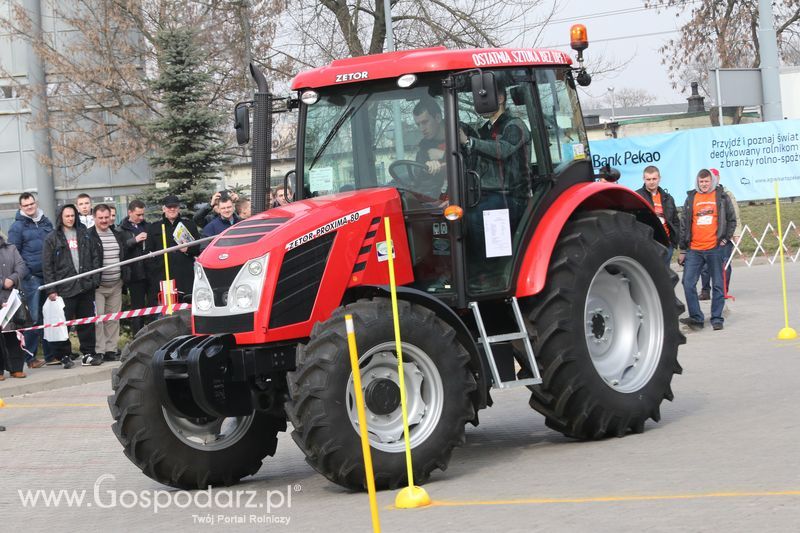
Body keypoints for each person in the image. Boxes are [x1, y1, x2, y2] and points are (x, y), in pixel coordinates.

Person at [458, 80, 531, 287]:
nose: (477, 103)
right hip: (489, 194)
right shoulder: (486, 128)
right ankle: (469, 273)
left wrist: (470, 142)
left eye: (482, 97)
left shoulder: (515, 125)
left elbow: (503, 150)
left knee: (475, 216)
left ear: (499, 98)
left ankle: (492, 274)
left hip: (513, 197)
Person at [42, 204, 101, 367]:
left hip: (85, 286)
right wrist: (51, 289)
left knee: (87, 322)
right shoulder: (52, 238)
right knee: (63, 324)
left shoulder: (85, 235)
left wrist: (94, 280)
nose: (70, 219)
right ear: (61, 217)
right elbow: (47, 266)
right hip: (64, 289)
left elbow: (95, 257)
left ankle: (88, 353)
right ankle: (64, 355)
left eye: (72, 216)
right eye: (67, 216)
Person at [679, 168, 737, 331]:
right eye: (701, 181)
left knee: (718, 284)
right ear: (698, 182)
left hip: (715, 248)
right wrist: (683, 249)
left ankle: (717, 318)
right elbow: (684, 222)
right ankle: (696, 317)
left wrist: (725, 239)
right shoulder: (691, 198)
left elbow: (732, 220)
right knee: (688, 283)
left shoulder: (722, 197)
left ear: (712, 181)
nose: (704, 184)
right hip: (694, 249)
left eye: (706, 181)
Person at [7, 192, 55, 367]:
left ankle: (51, 356)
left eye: (32, 204)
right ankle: (30, 357)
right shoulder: (17, 227)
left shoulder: (46, 222)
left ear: (36, 203)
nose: (30, 207)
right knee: (33, 319)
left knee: (48, 317)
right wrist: (26, 273)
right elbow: (13, 254)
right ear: (21, 207)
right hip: (31, 279)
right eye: (26, 205)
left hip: (48, 276)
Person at [89, 204, 127, 362]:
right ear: (94, 217)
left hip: (116, 284)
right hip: (98, 286)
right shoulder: (88, 235)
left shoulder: (117, 233)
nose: (105, 221)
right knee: (98, 320)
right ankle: (100, 350)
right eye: (101, 218)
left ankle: (111, 349)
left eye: (107, 217)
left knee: (113, 319)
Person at [147, 195, 200, 301]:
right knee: (169, 309)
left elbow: (197, 249)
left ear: (178, 208)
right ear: (164, 208)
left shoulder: (189, 225)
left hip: (185, 276)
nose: (172, 209)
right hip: (165, 276)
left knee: (187, 309)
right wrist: (156, 271)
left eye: (175, 206)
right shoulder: (154, 228)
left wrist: (188, 250)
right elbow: (148, 252)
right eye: (169, 207)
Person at [699, 167, 741, 299]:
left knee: (724, 264)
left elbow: (735, 215)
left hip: (724, 236)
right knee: (705, 266)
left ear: (718, 178)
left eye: (714, 177)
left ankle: (723, 290)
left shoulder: (726, 194)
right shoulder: (700, 195)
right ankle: (705, 290)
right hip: (706, 236)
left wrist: (736, 233)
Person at [119, 199, 157, 335]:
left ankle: (155, 336)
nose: (141, 218)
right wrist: (134, 240)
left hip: (150, 272)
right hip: (135, 274)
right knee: (138, 308)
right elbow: (121, 249)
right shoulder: (122, 229)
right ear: (130, 212)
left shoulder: (148, 226)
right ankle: (138, 336)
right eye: (138, 215)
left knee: (154, 306)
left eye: (143, 215)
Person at [635, 165, 680, 267]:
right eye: (648, 179)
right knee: (650, 277)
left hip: (667, 245)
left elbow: (675, 221)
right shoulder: (637, 196)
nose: (651, 182)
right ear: (644, 179)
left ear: (659, 178)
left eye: (654, 179)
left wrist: (673, 242)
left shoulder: (668, 198)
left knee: (665, 278)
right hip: (648, 245)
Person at [0, 233, 28, 379]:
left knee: (14, 334)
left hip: (12, 298)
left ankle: (16, 368)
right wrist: (2, 282)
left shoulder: (11, 248)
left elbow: (21, 267)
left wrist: (12, 279)